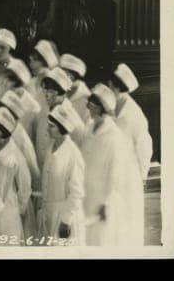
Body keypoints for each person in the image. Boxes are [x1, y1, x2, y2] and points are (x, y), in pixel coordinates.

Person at [82, 83, 143, 247]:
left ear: (99, 108)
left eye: (91, 104)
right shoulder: (88, 130)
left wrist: (106, 203)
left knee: (102, 241)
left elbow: (115, 174)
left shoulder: (114, 137)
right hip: (86, 195)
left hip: (102, 200)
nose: (88, 107)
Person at [38, 102, 85, 246]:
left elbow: (76, 192)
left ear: (62, 128)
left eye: (52, 126)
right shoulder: (51, 147)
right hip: (49, 213)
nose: (48, 129)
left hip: (64, 216)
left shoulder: (73, 154)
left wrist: (66, 220)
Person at [0, 107, 32, 244]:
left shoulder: (15, 155)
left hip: (7, 213)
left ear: (4, 132)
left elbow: (25, 188)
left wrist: (16, 210)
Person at [111, 63, 153, 182]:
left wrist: (142, 177)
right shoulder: (110, 106)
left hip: (128, 174)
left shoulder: (134, 114)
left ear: (118, 88)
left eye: (110, 85)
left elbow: (144, 148)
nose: (108, 88)